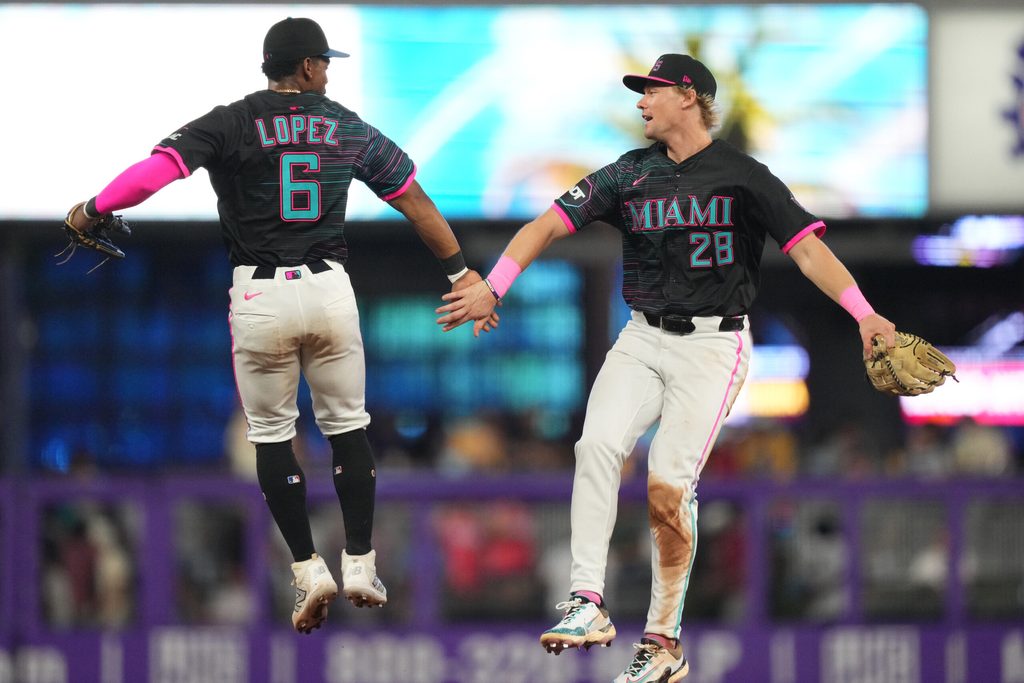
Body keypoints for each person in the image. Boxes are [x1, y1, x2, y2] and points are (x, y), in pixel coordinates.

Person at [436, 53, 896, 681]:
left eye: (650, 91)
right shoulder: (629, 173)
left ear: (688, 95)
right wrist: (495, 285)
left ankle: (662, 643)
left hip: (713, 346)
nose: (640, 102)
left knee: (667, 488)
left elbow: (809, 251)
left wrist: (865, 314)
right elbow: (546, 224)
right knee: (595, 445)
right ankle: (587, 600)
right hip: (642, 337)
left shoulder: (743, 175)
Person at [64, 17, 494, 634]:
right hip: (328, 288)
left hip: (260, 293)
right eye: (326, 62)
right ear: (309, 67)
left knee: (270, 435)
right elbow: (415, 201)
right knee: (348, 428)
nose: (329, 72)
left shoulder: (231, 120)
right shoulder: (343, 123)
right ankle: (361, 563)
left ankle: (306, 568)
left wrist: (93, 207)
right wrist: (461, 275)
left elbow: (152, 174)